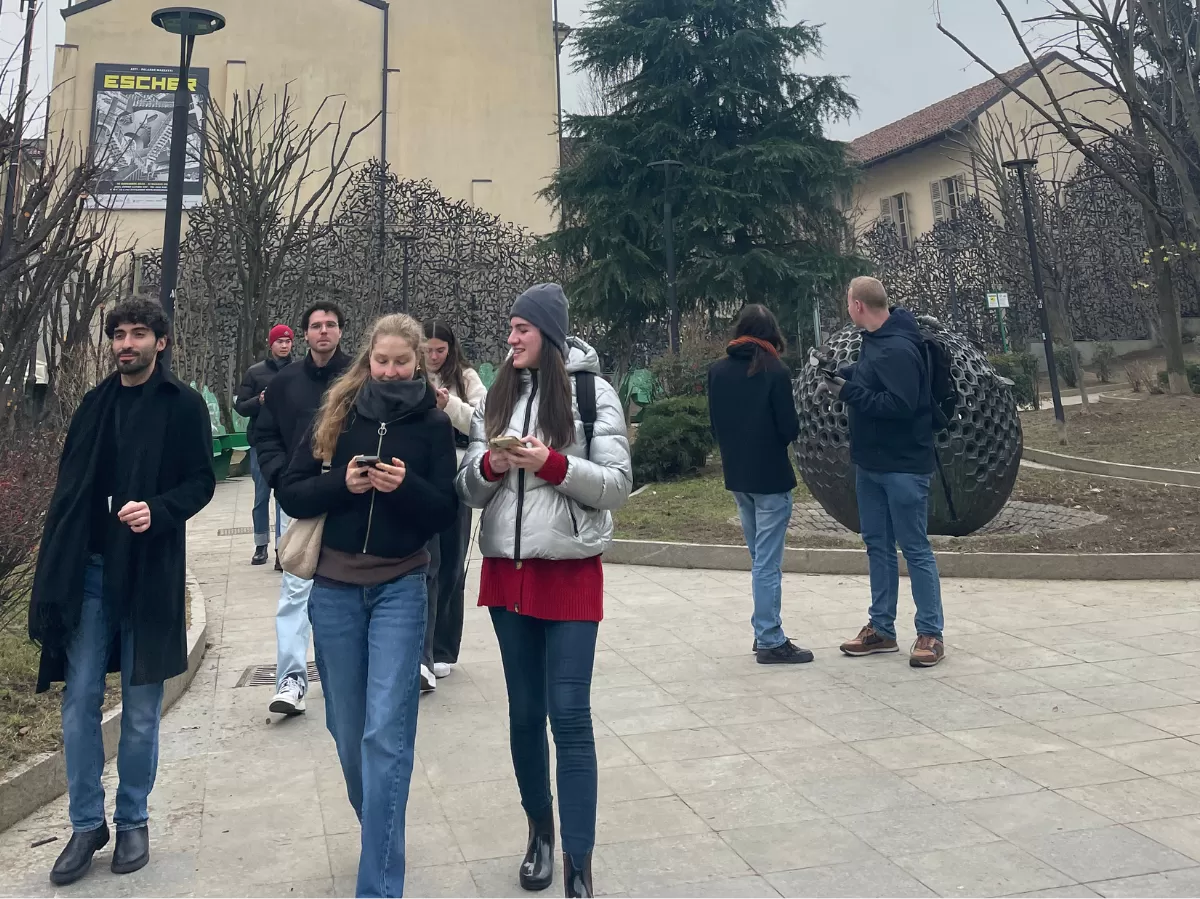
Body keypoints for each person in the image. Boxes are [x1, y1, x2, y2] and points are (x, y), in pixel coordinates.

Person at [28, 299, 215, 886]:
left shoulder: (181, 405)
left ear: (161, 341)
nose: (125, 343)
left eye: (138, 333)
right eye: (118, 334)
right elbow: (69, 486)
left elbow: (202, 481)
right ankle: (86, 823)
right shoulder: (93, 405)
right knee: (79, 697)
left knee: (139, 709)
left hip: (150, 573)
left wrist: (156, 511)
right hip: (88, 572)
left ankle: (133, 816)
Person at [457, 284, 632, 899]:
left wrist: (551, 464)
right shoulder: (496, 396)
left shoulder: (591, 394)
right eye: (509, 328)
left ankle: (579, 864)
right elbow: (468, 488)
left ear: (549, 335)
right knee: (525, 714)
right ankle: (540, 834)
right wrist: (491, 468)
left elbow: (616, 485)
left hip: (570, 571)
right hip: (508, 571)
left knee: (571, 716)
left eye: (521, 329)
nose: (510, 338)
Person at [278, 313, 458, 898]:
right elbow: (292, 488)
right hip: (332, 589)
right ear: (369, 358)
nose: (390, 371)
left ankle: (379, 884)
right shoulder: (337, 412)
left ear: (420, 362)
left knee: (386, 734)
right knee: (347, 728)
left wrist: (403, 485)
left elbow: (442, 515)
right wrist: (344, 485)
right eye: (381, 361)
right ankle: (380, 833)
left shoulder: (433, 425)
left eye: (401, 362)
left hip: (400, 587)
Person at [817, 276, 945, 668]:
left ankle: (930, 633)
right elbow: (873, 375)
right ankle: (882, 629)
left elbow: (900, 403)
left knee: (915, 547)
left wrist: (847, 393)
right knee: (877, 545)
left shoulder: (899, 348)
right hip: (870, 464)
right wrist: (841, 371)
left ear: (857, 306)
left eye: (847, 302)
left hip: (903, 466)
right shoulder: (877, 339)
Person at [254, 301, 351, 715]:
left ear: (341, 332)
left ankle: (345, 677)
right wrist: (278, 475)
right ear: (305, 334)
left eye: (331, 325)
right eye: (316, 326)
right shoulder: (286, 383)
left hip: (354, 498)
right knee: (296, 590)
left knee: (348, 594)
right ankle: (291, 679)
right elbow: (264, 433)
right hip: (303, 500)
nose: (323, 332)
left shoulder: (359, 378)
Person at [708, 304, 812, 665]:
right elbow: (789, 429)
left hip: (738, 477)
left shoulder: (717, 371)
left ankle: (765, 631)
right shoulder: (775, 371)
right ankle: (769, 637)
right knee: (767, 564)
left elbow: (714, 426)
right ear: (773, 335)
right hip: (771, 478)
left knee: (759, 560)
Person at [420, 319, 487, 687]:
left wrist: (450, 405)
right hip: (421, 475)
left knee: (452, 562)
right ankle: (423, 648)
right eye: (427, 350)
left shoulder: (466, 377)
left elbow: (484, 421)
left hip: (458, 475)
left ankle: (445, 647)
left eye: (439, 350)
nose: (432, 357)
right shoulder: (410, 374)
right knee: (426, 562)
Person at [234, 324, 294, 567]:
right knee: (261, 496)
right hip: (261, 443)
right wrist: (259, 401)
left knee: (284, 500)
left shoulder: (298, 371)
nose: (284, 345)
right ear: (271, 345)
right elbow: (240, 406)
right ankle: (261, 545)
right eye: (279, 341)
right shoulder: (255, 373)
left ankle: (283, 549)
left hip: (289, 443)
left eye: (288, 341)